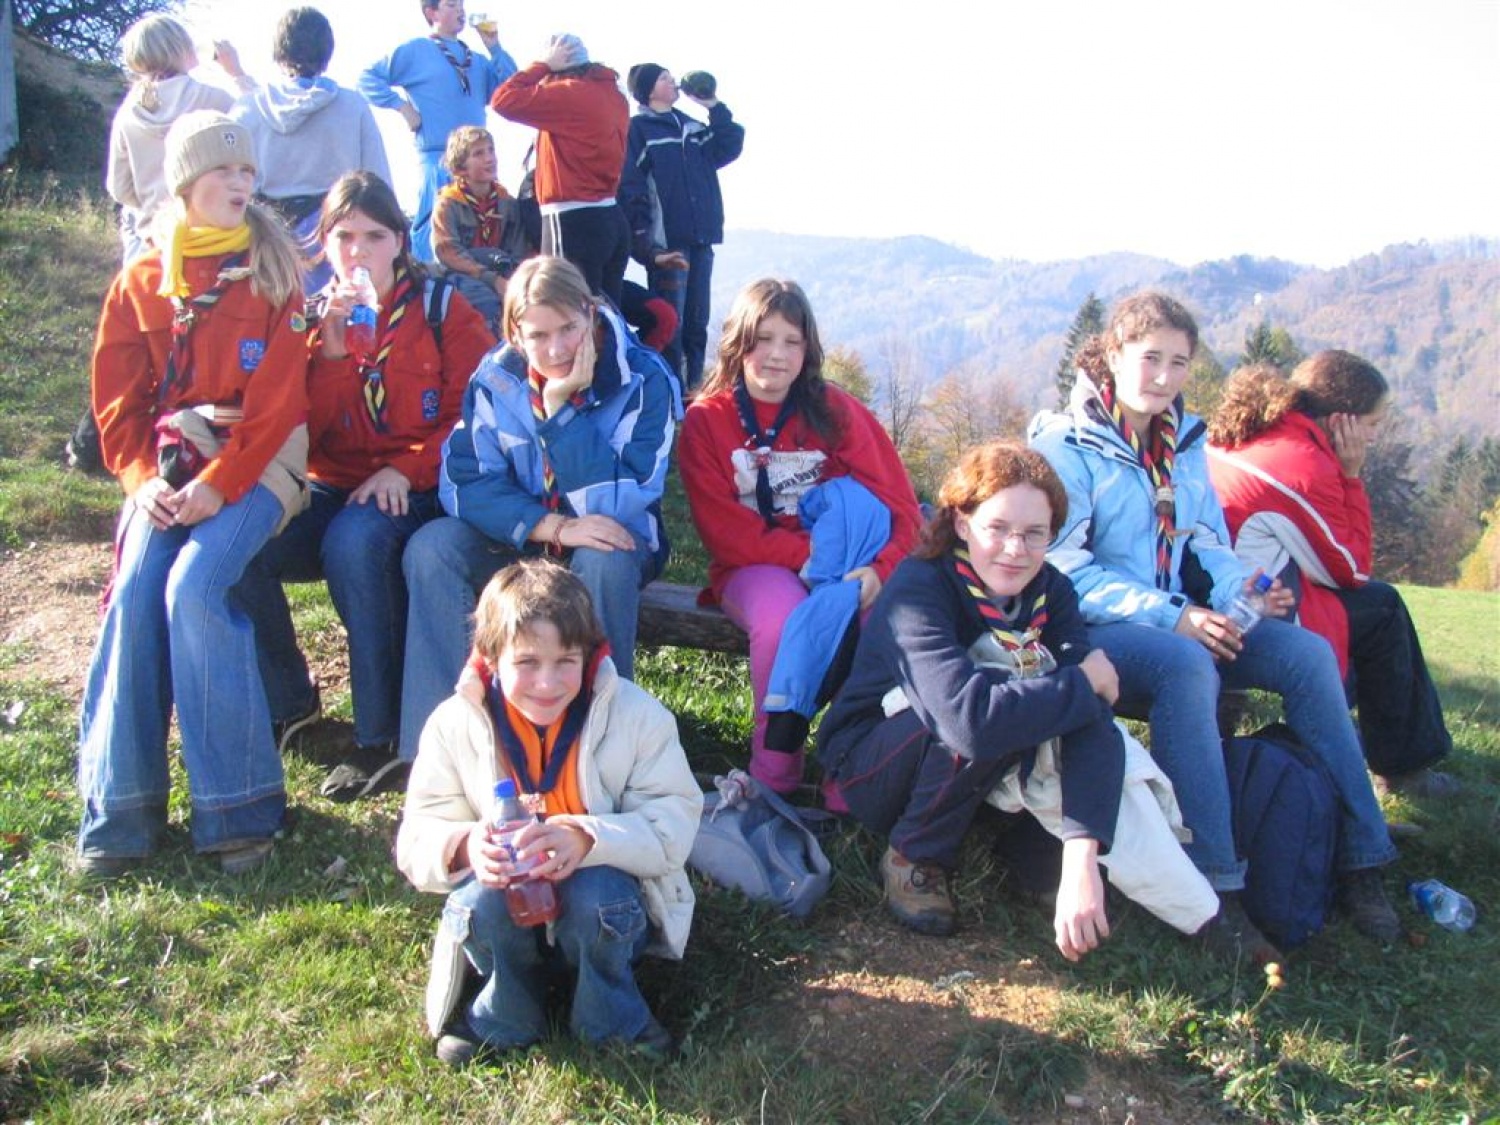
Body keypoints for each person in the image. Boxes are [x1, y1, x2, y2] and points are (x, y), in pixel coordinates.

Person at [1028, 292, 1403, 951]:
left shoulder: (1184, 440)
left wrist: (1244, 592)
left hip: (1183, 616)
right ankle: (1214, 888)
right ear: (1113, 356)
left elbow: (1205, 539)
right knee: (1187, 664)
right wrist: (1175, 616)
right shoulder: (1069, 442)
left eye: (1179, 361)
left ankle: (1363, 858)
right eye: (1150, 359)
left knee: (1305, 654)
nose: (1165, 377)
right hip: (1099, 627)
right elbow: (1062, 565)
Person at [818, 442, 1218, 949]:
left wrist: (1081, 854)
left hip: (984, 758)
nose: (1015, 549)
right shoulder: (920, 588)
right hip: (875, 762)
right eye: (998, 529)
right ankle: (914, 854)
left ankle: (1034, 846)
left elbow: (1092, 718)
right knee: (993, 702)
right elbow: (965, 720)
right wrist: (1078, 681)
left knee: (1037, 702)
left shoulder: (1053, 592)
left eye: (1035, 534)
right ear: (962, 523)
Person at [78, 112, 308, 877]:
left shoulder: (274, 273)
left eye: (247, 173)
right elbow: (119, 404)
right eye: (224, 172)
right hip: (169, 466)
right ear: (185, 182)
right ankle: (123, 807)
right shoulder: (142, 280)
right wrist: (143, 484)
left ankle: (238, 805)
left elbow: (277, 406)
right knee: (138, 585)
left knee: (194, 586)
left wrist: (219, 486)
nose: (241, 184)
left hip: (262, 459)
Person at [237, 171, 495, 802]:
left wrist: (403, 469)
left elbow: (477, 414)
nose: (358, 253)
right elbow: (304, 428)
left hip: (420, 486)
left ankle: (378, 736)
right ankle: (290, 703)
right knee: (243, 539)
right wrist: (326, 352)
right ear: (324, 243)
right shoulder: (306, 318)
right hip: (334, 483)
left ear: (399, 242)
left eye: (373, 237)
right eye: (344, 237)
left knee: (357, 543)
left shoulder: (443, 310)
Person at [396, 559, 701, 1062]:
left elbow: (675, 822)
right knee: (479, 903)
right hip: (507, 901)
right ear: (491, 659)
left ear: (591, 654)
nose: (547, 682)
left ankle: (612, 1019)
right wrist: (467, 846)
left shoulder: (636, 715)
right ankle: (505, 1011)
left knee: (595, 896)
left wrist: (588, 838)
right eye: (527, 663)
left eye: (566, 661)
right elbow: (416, 838)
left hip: (603, 900)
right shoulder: (454, 725)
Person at [398, 255, 677, 763]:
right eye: (537, 336)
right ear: (513, 333)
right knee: (433, 548)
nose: (555, 350)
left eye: (569, 329)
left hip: (612, 540)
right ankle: (444, 749)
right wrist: (553, 527)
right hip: (530, 535)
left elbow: (622, 499)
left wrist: (560, 414)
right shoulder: (496, 380)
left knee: (605, 558)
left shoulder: (644, 379)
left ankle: (599, 746)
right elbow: (462, 483)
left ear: (590, 315)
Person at [678, 279, 922, 799]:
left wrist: (881, 570)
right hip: (754, 568)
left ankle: (849, 772)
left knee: (876, 621)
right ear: (738, 343)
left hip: (851, 570)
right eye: (763, 339)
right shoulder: (707, 420)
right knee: (783, 620)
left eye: (792, 341)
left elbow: (902, 507)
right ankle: (775, 774)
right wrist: (814, 563)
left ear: (808, 350)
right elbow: (725, 533)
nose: (776, 355)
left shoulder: (834, 410)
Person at [1207, 353, 1457, 798]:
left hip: (1224, 592)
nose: (1376, 436)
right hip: (1250, 612)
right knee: (1381, 608)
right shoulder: (1302, 462)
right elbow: (1351, 568)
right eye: (1374, 424)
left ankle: (1350, 750)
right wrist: (1352, 476)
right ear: (1344, 421)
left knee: (1364, 612)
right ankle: (1404, 770)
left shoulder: (1258, 431)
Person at [230, 6, 391, 294]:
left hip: (264, 236)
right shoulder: (352, 106)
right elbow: (379, 185)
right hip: (336, 238)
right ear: (327, 50)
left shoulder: (246, 110)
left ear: (278, 50)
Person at [357, 0, 517, 262]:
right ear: (431, 13)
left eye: (462, 5)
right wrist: (401, 106)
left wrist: (494, 48)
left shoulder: (474, 59)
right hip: (437, 158)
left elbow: (510, 89)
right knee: (433, 232)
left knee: (482, 233)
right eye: (451, 5)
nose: (461, 10)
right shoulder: (416, 50)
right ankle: (427, 286)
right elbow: (367, 78)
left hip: (475, 163)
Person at [619, 64, 744, 389]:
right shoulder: (639, 130)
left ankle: (691, 393)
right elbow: (631, 190)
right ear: (647, 89)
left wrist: (713, 105)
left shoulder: (691, 126)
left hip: (701, 238)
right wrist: (646, 246)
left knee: (697, 324)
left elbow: (729, 144)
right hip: (668, 245)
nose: (673, 81)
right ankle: (668, 394)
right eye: (664, 77)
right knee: (670, 325)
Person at [490, 35, 630, 305]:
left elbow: (503, 100)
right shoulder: (612, 93)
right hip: (611, 216)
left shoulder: (569, 94)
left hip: (571, 220)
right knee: (609, 322)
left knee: (562, 311)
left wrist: (541, 65)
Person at [106, 14, 254, 262]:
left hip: (153, 241)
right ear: (181, 48)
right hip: (209, 239)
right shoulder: (214, 100)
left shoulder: (127, 114)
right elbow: (258, 117)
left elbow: (119, 189)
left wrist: (153, 202)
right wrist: (236, 73)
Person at [431, 125, 531, 330]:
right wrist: (492, 280)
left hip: (502, 270)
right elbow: (448, 252)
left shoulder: (506, 202)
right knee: (485, 302)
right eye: (478, 153)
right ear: (460, 167)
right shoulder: (448, 203)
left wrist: (516, 279)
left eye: (491, 150)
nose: (489, 158)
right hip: (463, 274)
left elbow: (519, 246)